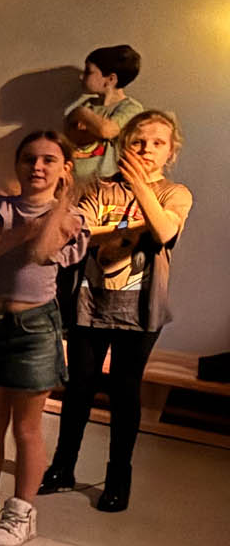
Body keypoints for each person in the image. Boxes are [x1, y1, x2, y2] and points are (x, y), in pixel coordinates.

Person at [43, 110, 191, 513]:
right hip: (89, 304)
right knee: (79, 388)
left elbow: (165, 231)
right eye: (138, 141)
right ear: (124, 143)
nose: (146, 149)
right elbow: (81, 236)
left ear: (171, 152)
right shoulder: (98, 187)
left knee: (126, 393)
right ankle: (62, 467)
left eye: (157, 143)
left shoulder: (175, 193)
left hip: (141, 312)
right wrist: (135, 229)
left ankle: (117, 478)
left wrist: (140, 190)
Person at [0, 130, 87, 546]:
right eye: (29, 158)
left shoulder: (73, 217)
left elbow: (41, 253)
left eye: (49, 160)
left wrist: (59, 206)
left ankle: (22, 512)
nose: (37, 166)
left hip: (35, 328)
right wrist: (26, 228)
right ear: (17, 164)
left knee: (27, 428)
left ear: (65, 169)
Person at [62, 44, 145, 185]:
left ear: (110, 79)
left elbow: (107, 130)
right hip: (75, 182)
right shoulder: (88, 105)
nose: (81, 77)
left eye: (88, 72)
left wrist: (81, 113)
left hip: (109, 185)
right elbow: (72, 136)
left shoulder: (131, 108)